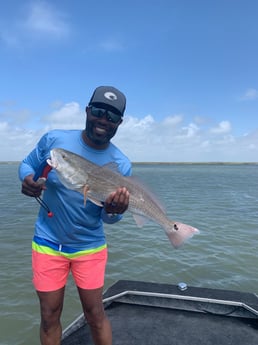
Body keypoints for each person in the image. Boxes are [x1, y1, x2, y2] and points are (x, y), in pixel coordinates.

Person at [19, 86, 131, 345]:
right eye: (99, 111)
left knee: (95, 314)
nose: (104, 120)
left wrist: (114, 212)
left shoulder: (121, 163)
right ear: (88, 111)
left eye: (112, 117)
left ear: (119, 123)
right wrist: (27, 179)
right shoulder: (56, 141)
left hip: (89, 247)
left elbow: (109, 218)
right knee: (49, 315)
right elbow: (28, 164)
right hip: (47, 243)